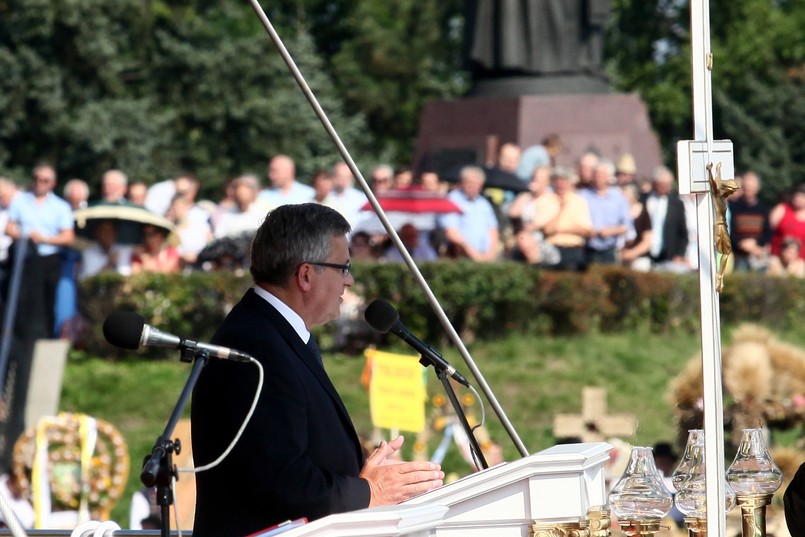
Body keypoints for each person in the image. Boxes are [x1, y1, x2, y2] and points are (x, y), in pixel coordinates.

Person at [191, 203, 444, 536]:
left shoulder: (271, 333)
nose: (349, 280)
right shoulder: (256, 346)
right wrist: (370, 492)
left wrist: (361, 470)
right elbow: (280, 478)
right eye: (344, 267)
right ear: (306, 275)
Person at [6, 163, 75, 336]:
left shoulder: (61, 207)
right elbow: (9, 228)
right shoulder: (20, 201)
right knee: (20, 301)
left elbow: (68, 237)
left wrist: (44, 238)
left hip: (48, 259)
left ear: (52, 183)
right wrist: (24, 236)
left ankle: (44, 340)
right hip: (25, 257)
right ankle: (18, 340)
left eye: (45, 180)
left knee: (47, 301)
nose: (39, 183)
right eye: (37, 179)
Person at [438, 166, 500, 261]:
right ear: (462, 182)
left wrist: (490, 254)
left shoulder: (484, 204)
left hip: (485, 258)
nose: (472, 187)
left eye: (476, 184)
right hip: (460, 256)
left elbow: (493, 229)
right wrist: (472, 252)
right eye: (470, 183)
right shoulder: (452, 200)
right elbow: (451, 232)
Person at [579, 159, 633, 264]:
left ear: (609, 177)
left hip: (609, 251)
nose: (599, 178)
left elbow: (627, 226)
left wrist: (611, 231)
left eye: (602, 175)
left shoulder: (619, 199)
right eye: (597, 175)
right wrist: (586, 230)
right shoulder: (582, 196)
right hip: (587, 249)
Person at [541, 166, 593, 271]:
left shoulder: (579, 202)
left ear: (570, 182)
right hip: (552, 249)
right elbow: (547, 229)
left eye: (564, 181)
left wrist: (559, 229)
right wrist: (561, 210)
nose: (561, 184)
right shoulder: (545, 200)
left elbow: (587, 230)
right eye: (558, 181)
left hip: (574, 250)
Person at [508, 165, 560, 265]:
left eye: (539, 179)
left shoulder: (551, 201)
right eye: (534, 178)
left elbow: (533, 225)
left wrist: (521, 234)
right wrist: (525, 197)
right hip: (519, 239)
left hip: (538, 243)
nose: (535, 181)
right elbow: (513, 214)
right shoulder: (525, 197)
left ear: (547, 182)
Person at [645, 166, 689, 272]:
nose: (666, 188)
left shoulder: (677, 204)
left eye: (668, 185)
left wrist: (679, 254)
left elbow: (683, 232)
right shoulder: (644, 200)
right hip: (646, 254)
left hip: (669, 255)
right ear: (655, 184)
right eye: (663, 185)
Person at [729, 171, 771, 272]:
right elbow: (729, 231)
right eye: (746, 187)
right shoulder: (732, 207)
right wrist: (742, 244)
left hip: (757, 254)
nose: (749, 189)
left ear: (757, 188)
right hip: (738, 254)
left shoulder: (763, 209)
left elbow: (767, 234)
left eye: (752, 187)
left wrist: (754, 243)